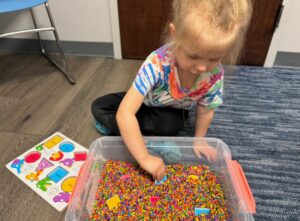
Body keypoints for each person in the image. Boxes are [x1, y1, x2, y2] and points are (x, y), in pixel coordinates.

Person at [91, 0, 252, 180]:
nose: (202, 67)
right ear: (175, 36)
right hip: (146, 102)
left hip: (172, 112)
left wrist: (199, 139)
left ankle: (138, 136)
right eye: (193, 56)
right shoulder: (157, 63)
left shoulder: (214, 75)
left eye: (213, 59)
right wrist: (144, 158)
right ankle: (145, 138)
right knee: (99, 106)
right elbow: (126, 112)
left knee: (171, 124)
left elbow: (206, 110)